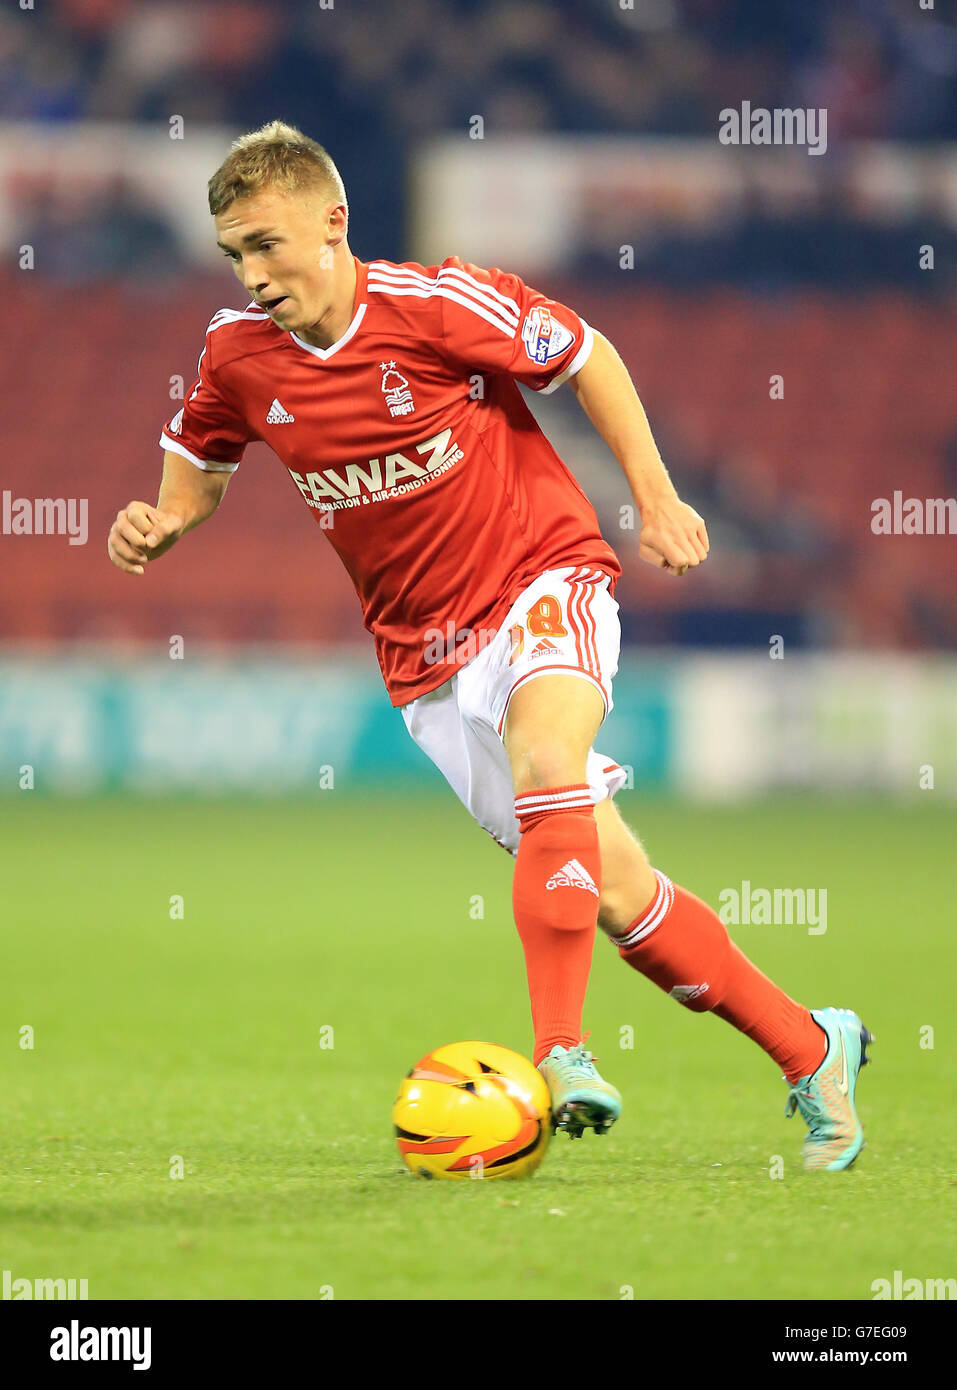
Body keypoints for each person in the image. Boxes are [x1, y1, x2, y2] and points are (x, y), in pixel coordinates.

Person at [107, 121, 871, 1169]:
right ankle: (810, 1045)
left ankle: (561, 1052)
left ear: (333, 222)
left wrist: (657, 500)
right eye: (235, 253)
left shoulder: (434, 304)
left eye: (269, 243)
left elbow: (586, 352)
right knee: (613, 892)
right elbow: (197, 466)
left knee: (550, 760)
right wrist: (162, 522)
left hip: (541, 577)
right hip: (425, 659)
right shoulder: (237, 356)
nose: (255, 273)